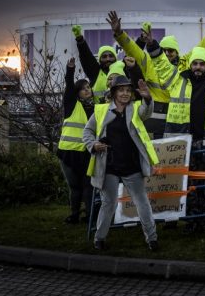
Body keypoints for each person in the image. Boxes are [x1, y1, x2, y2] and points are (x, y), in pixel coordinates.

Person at [107, 7, 205, 139]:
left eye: (171, 50)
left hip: (178, 120)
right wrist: (119, 33)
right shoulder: (149, 62)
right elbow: (133, 49)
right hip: (154, 119)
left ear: (177, 52)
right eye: (163, 50)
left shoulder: (187, 63)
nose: (166, 54)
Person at [148, 41, 205, 233]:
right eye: (195, 63)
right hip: (183, 142)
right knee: (187, 183)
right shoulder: (177, 80)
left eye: (202, 64)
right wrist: (152, 46)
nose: (198, 67)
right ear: (190, 65)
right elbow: (161, 64)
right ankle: (192, 221)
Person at [83, 76, 159, 251]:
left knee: (142, 202)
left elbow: (146, 112)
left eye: (128, 90)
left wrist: (147, 98)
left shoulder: (136, 108)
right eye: (121, 90)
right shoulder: (102, 110)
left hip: (131, 165)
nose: (125, 93)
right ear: (114, 92)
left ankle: (152, 239)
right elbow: (87, 131)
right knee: (108, 203)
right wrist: (92, 144)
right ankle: (99, 239)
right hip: (108, 166)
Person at [57, 57, 94, 224]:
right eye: (83, 88)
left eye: (88, 87)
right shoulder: (72, 104)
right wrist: (70, 69)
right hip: (68, 153)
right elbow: (69, 87)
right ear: (77, 92)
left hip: (86, 153)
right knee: (75, 186)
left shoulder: (96, 108)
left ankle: (89, 215)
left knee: (88, 186)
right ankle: (74, 215)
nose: (87, 90)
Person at [72, 24, 118, 103]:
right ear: (99, 60)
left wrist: (142, 40)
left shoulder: (122, 70)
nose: (108, 59)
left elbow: (133, 55)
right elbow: (86, 57)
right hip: (99, 113)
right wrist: (80, 40)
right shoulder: (95, 73)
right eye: (104, 56)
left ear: (116, 58)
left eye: (111, 56)